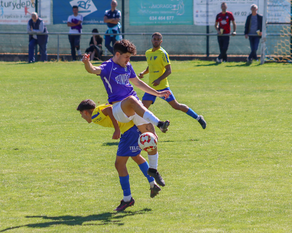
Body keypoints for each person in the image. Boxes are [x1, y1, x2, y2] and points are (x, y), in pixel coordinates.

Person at [82, 39, 170, 189]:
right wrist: (86, 63)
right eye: (126, 57)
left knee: (151, 136)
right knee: (130, 100)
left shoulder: (127, 65)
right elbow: (93, 70)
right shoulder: (108, 66)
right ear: (117, 54)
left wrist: (158, 93)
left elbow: (138, 83)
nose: (128, 60)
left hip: (134, 106)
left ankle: (153, 170)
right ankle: (160, 123)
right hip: (118, 109)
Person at [77, 99, 162, 211]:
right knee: (136, 156)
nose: (82, 117)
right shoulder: (98, 109)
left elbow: (109, 109)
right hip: (134, 128)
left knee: (119, 165)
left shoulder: (95, 115)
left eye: (81, 114)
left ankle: (127, 199)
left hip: (129, 132)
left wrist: (117, 129)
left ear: (86, 112)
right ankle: (152, 183)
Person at [138, 32, 207, 129]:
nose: (156, 41)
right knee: (142, 109)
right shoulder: (148, 52)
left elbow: (169, 70)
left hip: (163, 87)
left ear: (161, 41)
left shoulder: (163, 53)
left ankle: (198, 118)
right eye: (155, 39)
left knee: (176, 106)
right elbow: (150, 66)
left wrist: (159, 79)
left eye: (158, 39)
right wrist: (143, 73)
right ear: (151, 40)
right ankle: (142, 130)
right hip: (151, 88)